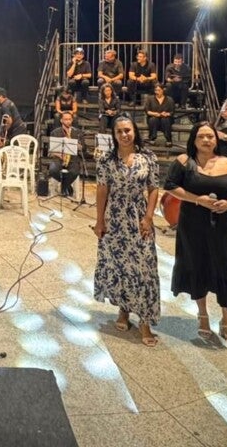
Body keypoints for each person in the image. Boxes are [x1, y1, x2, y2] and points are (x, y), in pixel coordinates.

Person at [163, 122, 227, 350]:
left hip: (221, 225)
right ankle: (203, 315)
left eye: (210, 136)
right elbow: (169, 185)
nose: (206, 140)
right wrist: (197, 200)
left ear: (216, 140)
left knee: (226, 270)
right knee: (197, 267)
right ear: (194, 139)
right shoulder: (184, 162)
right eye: (201, 136)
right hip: (192, 224)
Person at [92, 115, 161, 346]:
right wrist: (99, 221)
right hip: (115, 219)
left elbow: (153, 188)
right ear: (114, 135)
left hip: (139, 217)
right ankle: (123, 309)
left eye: (128, 130)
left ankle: (145, 321)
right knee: (119, 265)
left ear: (135, 131)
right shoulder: (106, 160)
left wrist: (149, 217)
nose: (124, 134)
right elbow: (102, 190)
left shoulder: (148, 157)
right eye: (119, 131)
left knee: (144, 268)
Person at [47, 111, 83, 198]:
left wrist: (80, 146)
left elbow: (84, 148)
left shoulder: (78, 132)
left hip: (73, 158)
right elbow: (50, 150)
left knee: (75, 172)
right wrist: (58, 154)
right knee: (52, 170)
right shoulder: (55, 132)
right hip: (59, 158)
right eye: (66, 119)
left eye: (69, 119)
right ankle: (67, 186)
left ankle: (64, 186)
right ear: (61, 120)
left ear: (72, 120)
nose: (68, 121)